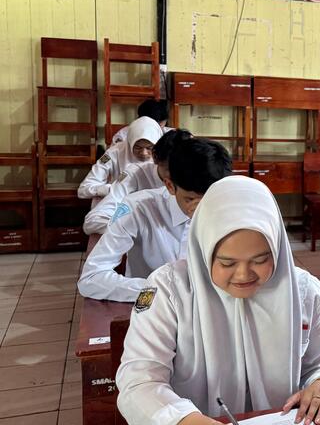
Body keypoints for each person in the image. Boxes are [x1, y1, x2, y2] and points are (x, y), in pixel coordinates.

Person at [116, 176, 320, 425]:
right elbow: (139, 384)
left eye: (260, 260)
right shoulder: (169, 290)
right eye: (227, 263)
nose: (243, 275)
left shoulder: (303, 291)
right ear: (203, 250)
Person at [78, 138, 232, 303]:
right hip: (153, 307)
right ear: (170, 185)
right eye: (190, 199)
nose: (200, 209)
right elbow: (91, 279)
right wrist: (160, 291)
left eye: (210, 199)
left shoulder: (230, 207)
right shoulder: (139, 208)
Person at [83, 129, 193, 235]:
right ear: (155, 157)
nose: (144, 153)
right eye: (171, 170)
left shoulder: (196, 176)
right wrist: (135, 231)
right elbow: (93, 220)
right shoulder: (132, 173)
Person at [78, 117, 161, 201]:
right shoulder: (112, 154)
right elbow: (84, 189)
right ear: (130, 142)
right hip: (120, 202)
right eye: (137, 147)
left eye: (149, 148)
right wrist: (110, 190)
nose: (143, 153)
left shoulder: (163, 155)